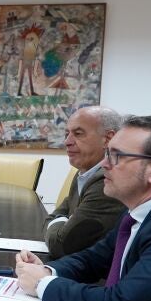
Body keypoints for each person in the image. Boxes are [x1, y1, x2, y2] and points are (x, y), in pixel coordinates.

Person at [16, 115, 151, 301]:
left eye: (116, 156)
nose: (104, 165)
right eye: (106, 154)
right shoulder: (138, 210)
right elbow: (92, 260)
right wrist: (49, 270)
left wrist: (43, 284)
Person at [44, 106, 125, 257]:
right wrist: (62, 220)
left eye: (78, 134)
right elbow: (60, 211)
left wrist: (56, 222)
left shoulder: (106, 180)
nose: (67, 142)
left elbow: (61, 245)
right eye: (67, 134)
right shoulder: (84, 171)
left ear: (108, 139)